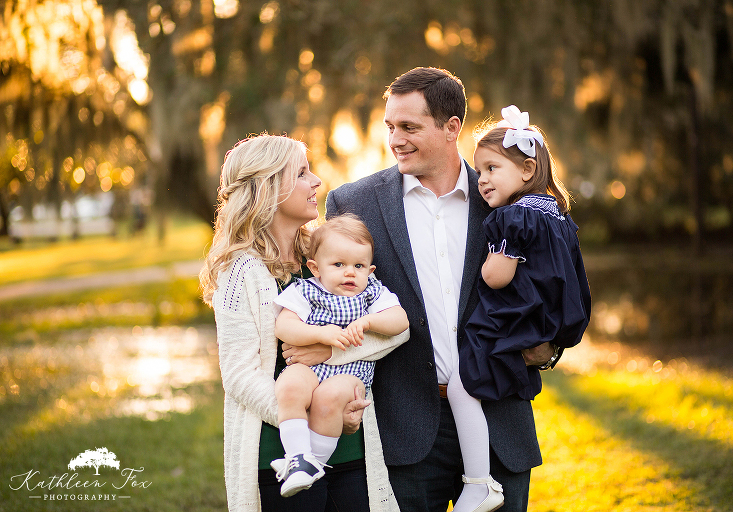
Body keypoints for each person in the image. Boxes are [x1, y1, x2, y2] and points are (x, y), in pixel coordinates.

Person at [325, 67, 557, 512]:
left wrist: (550, 348)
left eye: (409, 127)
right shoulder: (354, 204)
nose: (395, 139)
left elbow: (558, 282)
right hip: (405, 427)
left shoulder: (509, 199)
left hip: (498, 420)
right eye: (390, 126)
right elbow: (334, 300)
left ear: (452, 127)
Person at [199, 134, 406, 512]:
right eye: (302, 173)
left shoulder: (328, 254)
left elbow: (392, 331)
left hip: (350, 448)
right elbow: (240, 375)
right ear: (268, 188)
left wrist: (329, 349)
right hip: (277, 455)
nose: (317, 183)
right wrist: (313, 415)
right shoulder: (240, 271)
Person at [460, 105, 591, 403]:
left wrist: (485, 266)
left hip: (520, 320)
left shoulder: (513, 218)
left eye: (492, 168)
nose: (481, 179)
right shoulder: (558, 214)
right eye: (479, 171)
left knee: (466, 381)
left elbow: (496, 278)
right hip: (553, 319)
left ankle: (475, 451)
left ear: (527, 169)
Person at [271, 214, 409, 497]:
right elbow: (284, 326)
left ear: (370, 270)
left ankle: (315, 463)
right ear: (315, 268)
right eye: (339, 265)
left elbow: (400, 321)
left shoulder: (372, 292)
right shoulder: (306, 291)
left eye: (359, 266)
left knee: (329, 397)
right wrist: (321, 334)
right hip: (311, 368)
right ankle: (299, 457)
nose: (350, 273)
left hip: (351, 375)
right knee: (289, 385)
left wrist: (369, 322)